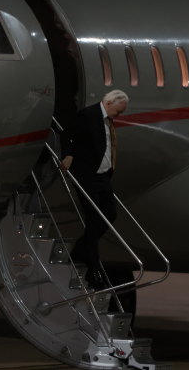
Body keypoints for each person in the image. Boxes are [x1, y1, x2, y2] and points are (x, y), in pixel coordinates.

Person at [60, 90, 129, 290]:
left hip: (103, 176)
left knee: (110, 214)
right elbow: (67, 133)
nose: (119, 115)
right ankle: (93, 267)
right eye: (119, 111)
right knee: (93, 219)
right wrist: (68, 155)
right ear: (108, 103)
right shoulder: (88, 115)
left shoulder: (107, 119)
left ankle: (81, 250)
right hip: (87, 176)